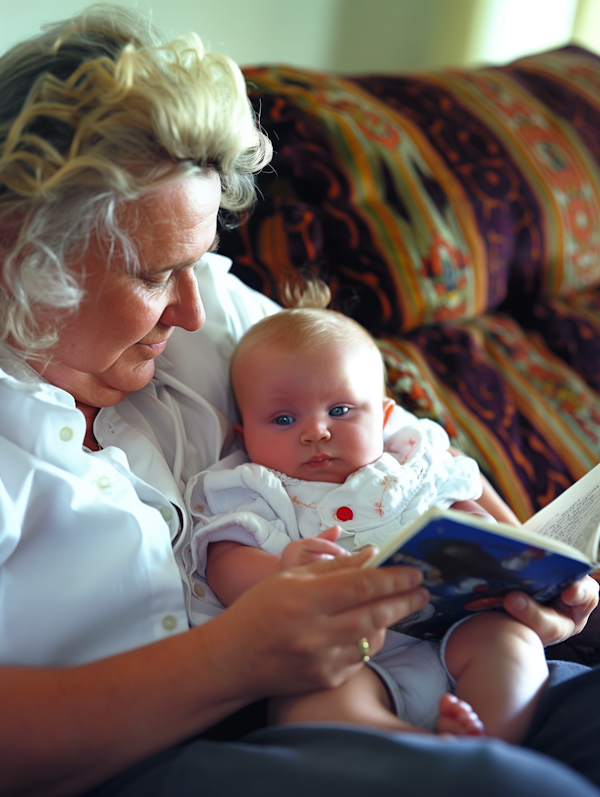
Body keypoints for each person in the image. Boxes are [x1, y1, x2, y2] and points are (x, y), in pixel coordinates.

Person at [0, 6, 599, 797]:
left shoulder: (198, 303)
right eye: (151, 275)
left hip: (412, 661)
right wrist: (230, 658)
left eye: (200, 259)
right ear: (18, 244)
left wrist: (524, 577)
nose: (192, 314)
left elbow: (390, 427)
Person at [186, 301, 547, 742]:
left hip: (456, 630)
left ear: (386, 416)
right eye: (283, 419)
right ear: (245, 436)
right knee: (307, 708)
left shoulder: (412, 465)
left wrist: (484, 534)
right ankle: (415, 751)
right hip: (342, 660)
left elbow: (465, 506)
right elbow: (224, 564)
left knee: (513, 645)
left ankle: (491, 741)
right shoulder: (257, 489)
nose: (316, 431)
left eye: (340, 411)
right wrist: (282, 573)